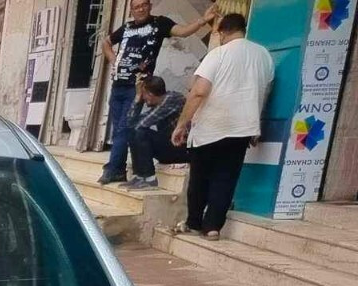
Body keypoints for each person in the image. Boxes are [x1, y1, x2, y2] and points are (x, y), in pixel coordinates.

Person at [172, 11, 274, 237]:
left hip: (212, 126)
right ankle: (213, 228)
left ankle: (194, 222)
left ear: (222, 32)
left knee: (200, 178)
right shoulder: (264, 56)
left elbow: (199, 92)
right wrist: (255, 123)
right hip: (242, 128)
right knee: (225, 178)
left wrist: (181, 124)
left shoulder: (218, 54)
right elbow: (263, 92)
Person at [99, 0, 219, 184]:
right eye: (136, 6)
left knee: (127, 127)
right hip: (118, 85)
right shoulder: (127, 27)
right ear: (131, 10)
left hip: (138, 85)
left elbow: (183, 31)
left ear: (150, 5)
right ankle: (119, 169)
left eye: (144, 5)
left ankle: (114, 168)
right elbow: (106, 42)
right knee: (120, 129)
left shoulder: (159, 23)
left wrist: (203, 20)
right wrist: (114, 60)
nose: (141, 9)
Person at [124, 75, 187, 188]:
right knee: (133, 132)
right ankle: (139, 176)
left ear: (150, 94)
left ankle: (149, 178)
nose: (143, 98)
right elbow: (130, 123)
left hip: (182, 149)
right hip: (170, 146)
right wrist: (138, 98)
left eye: (143, 94)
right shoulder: (159, 104)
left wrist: (138, 99)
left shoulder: (172, 99)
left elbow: (141, 124)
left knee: (141, 132)